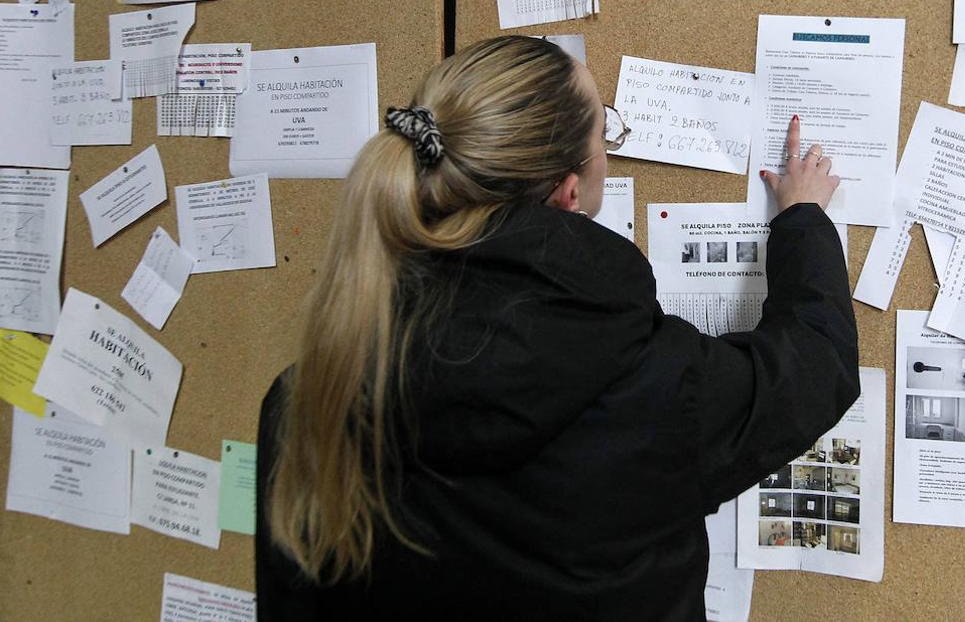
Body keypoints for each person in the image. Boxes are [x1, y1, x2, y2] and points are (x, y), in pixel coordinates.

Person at [256, 35, 859, 621]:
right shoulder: (646, 384)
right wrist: (804, 218)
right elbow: (814, 363)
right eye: (605, 131)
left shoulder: (310, 398)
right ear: (570, 193)